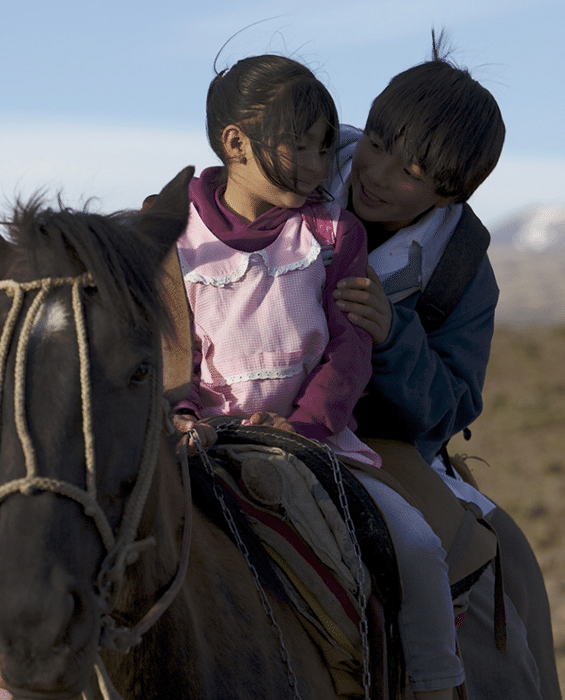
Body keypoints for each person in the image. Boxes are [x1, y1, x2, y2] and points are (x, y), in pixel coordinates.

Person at [170, 53, 464, 700]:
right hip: (201, 445)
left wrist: (305, 426)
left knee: (415, 544)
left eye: (324, 146)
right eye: (296, 146)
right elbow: (168, 348)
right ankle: (20, 675)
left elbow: (350, 350)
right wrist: (184, 416)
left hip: (317, 444)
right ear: (235, 143)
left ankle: (436, 685)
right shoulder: (175, 240)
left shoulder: (334, 233)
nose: (315, 165)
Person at [331, 32, 561, 700]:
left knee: (503, 559)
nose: (377, 175)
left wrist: (391, 336)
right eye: (377, 144)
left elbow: (450, 408)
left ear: (448, 194)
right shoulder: (294, 170)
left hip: (380, 445)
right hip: (231, 408)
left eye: (411, 174)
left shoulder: (460, 269)